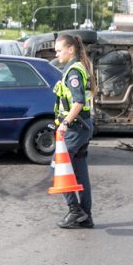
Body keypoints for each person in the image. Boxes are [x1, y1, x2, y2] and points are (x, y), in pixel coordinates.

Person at [52, 33, 94, 229]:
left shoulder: (74, 72)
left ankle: (75, 210)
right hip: (82, 127)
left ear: (71, 49)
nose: (57, 54)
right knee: (79, 171)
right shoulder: (75, 68)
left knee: (59, 166)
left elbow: (78, 101)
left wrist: (65, 123)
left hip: (76, 128)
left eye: (59, 50)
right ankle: (86, 216)